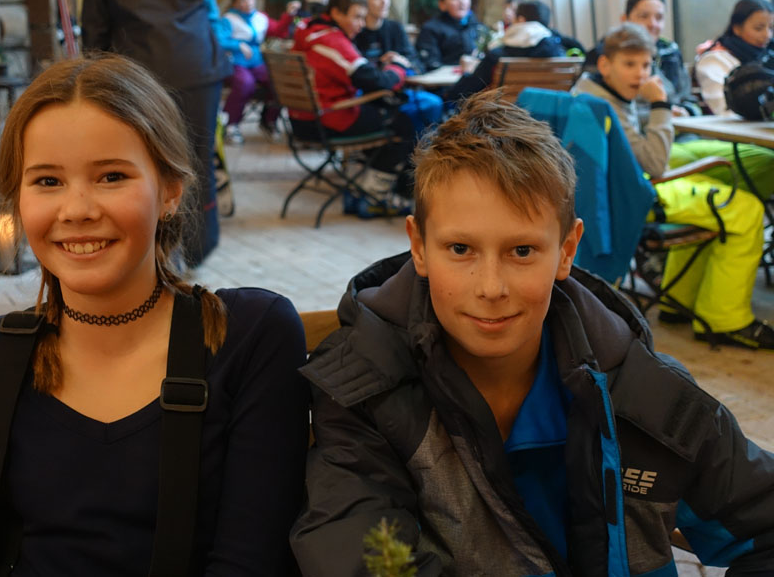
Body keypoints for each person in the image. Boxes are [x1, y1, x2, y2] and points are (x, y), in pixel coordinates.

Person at [290, 90, 774, 575]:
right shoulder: (365, 390)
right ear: (418, 246)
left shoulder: (644, 391)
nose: (491, 288)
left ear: (566, 250)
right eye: (460, 249)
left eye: (522, 251)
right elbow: (360, 559)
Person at [0, 56, 310, 575]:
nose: (77, 209)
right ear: (17, 200)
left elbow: (250, 562)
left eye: (111, 176)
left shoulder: (251, 338)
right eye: (47, 181)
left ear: (170, 188)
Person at [573, 23, 773, 348]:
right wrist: (660, 107)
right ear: (605, 64)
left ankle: (677, 301)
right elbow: (654, 163)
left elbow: (627, 142)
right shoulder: (603, 107)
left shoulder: (585, 92)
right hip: (631, 201)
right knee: (746, 209)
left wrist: (654, 112)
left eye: (646, 65)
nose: (640, 74)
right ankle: (726, 320)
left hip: (607, 199)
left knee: (714, 187)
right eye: (629, 64)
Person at [80, 0, 233, 266]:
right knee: (196, 158)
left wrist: (99, 73)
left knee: (141, 161)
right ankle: (195, 248)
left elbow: (94, 20)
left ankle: (149, 246)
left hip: (138, 74)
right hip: (195, 67)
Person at [290, 0, 416, 217]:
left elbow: (354, 70)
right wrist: (398, 67)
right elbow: (377, 82)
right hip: (327, 119)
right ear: (336, 13)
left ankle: (357, 190)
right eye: (357, 17)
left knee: (381, 115)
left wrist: (377, 66)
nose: (361, 24)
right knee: (404, 123)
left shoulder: (308, 30)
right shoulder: (331, 40)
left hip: (302, 118)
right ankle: (373, 195)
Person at [586, 0, 700, 116]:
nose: (652, 24)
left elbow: (688, 98)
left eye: (659, 18)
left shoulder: (671, 51)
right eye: (644, 16)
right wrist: (661, 109)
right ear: (625, 20)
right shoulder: (604, 54)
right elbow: (617, 109)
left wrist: (688, 111)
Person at [354, 0, 444, 134]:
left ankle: (420, 147)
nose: (384, 2)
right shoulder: (356, 30)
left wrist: (398, 60)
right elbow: (357, 71)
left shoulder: (394, 28)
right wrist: (381, 65)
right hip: (368, 94)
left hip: (397, 91)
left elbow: (415, 63)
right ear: (364, 2)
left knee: (434, 103)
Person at [444, 0, 564, 104]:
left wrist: (467, 73)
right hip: (547, 113)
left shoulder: (498, 55)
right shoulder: (558, 52)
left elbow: (467, 91)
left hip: (504, 115)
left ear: (521, 20)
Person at [220, 0, 300, 143]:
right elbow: (220, 40)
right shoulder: (228, 19)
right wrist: (238, 45)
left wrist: (289, 14)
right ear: (235, 3)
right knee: (245, 83)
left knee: (278, 81)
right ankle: (231, 125)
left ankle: (269, 119)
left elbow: (277, 30)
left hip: (257, 63)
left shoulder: (260, 17)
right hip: (237, 62)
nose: (248, 2)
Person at [696, 0, 774, 116]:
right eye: (758, 28)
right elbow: (725, 109)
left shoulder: (768, 58)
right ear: (737, 28)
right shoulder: (714, 60)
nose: (767, 35)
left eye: (771, 28)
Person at [415, 0, 487, 70]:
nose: (462, 2)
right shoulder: (430, 29)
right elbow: (430, 64)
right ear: (442, 4)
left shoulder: (479, 28)